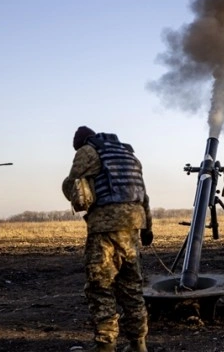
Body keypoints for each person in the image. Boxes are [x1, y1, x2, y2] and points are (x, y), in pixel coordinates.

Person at [62, 126, 152, 352]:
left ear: (81, 142)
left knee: (100, 287)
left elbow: (72, 186)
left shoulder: (87, 152)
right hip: (132, 228)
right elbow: (143, 193)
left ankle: (106, 347)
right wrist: (147, 227)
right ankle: (139, 345)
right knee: (132, 288)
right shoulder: (128, 155)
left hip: (104, 230)